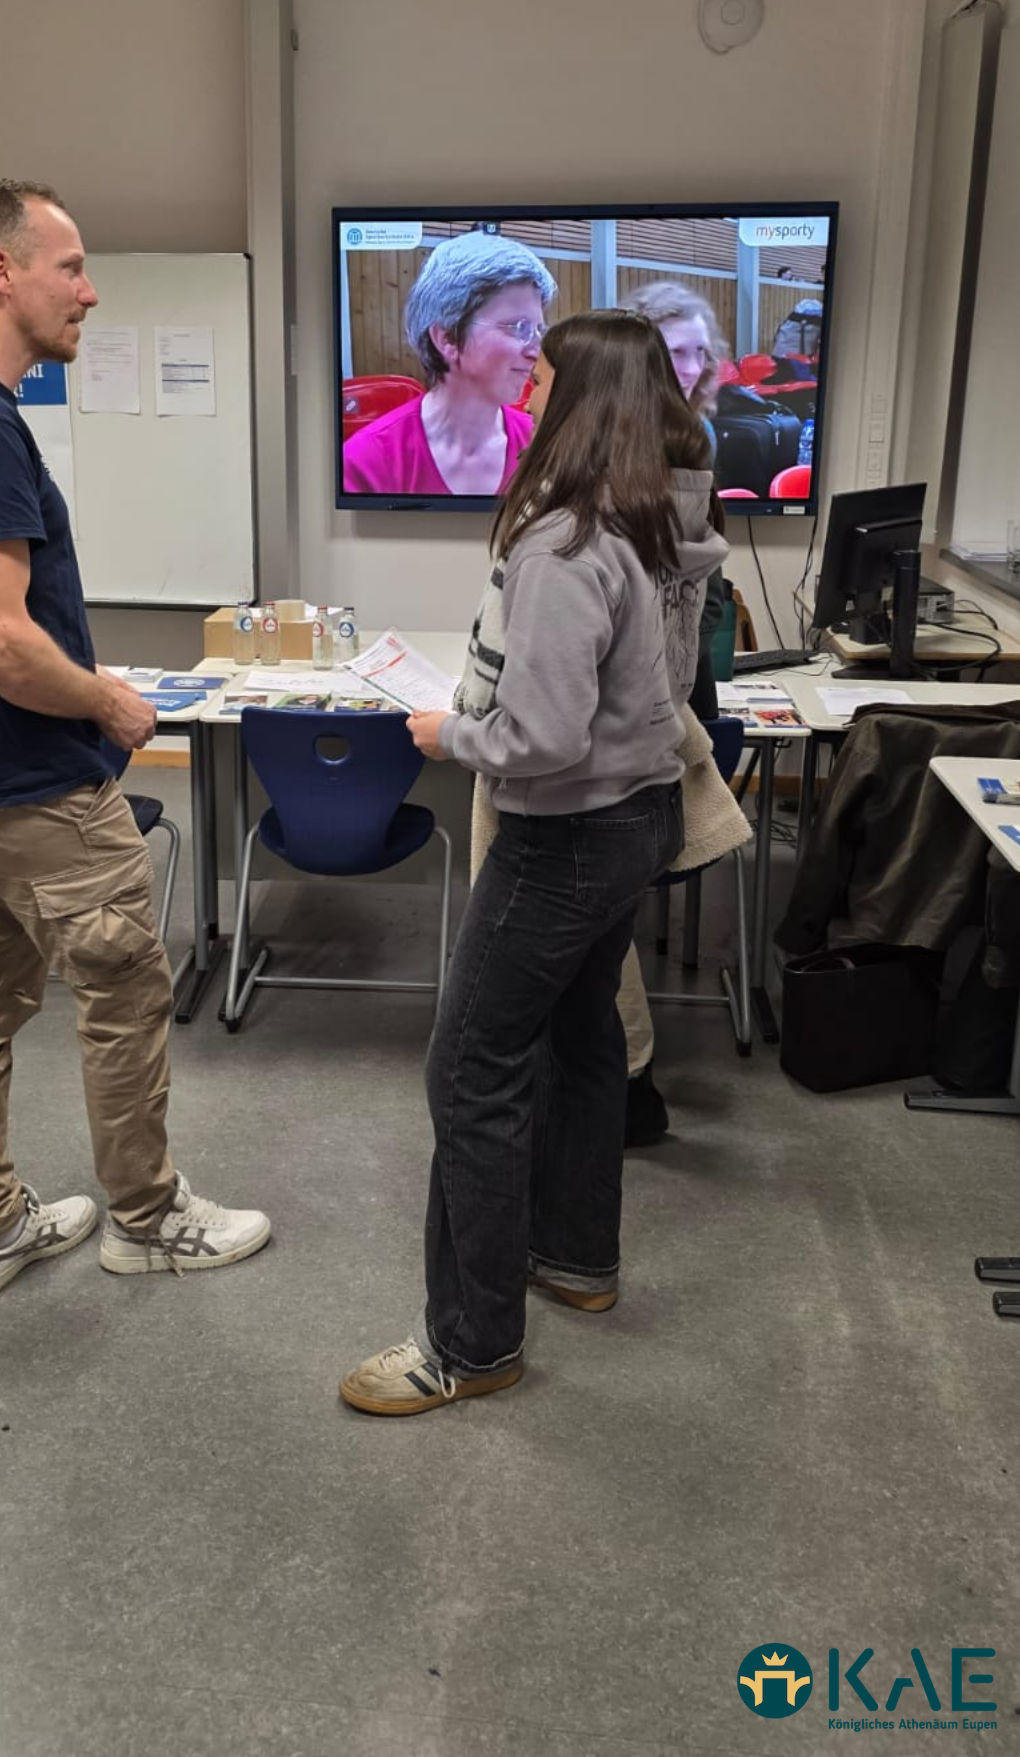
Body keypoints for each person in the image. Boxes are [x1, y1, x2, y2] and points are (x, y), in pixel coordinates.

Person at [0, 178, 271, 1303]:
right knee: (125, 989)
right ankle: (147, 1218)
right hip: (33, 779)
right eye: (72, 267)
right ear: (0, 271)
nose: (89, 293)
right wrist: (105, 702)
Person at [339, 310, 726, 1415]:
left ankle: (469, 1345)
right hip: (638, 816)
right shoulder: (661, 521)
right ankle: (576, 1257)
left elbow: (542, 737)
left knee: (470, 1069)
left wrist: (448, 734)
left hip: (565, 837)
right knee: (582, 1035)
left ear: (580, 399)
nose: (528, 386)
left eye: (544, 374)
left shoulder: (564, 543)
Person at [342, 231, 556, 496]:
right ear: (447, 338)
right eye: (519, 328)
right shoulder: (366, 463)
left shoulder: (545, 446)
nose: (536, 352)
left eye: (538, 331)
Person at [618, 279, 726, 460]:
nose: (693, 370)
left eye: (700, 350)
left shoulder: (699, 432)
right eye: (676, 352)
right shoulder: (597, 430)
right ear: (635, 354)